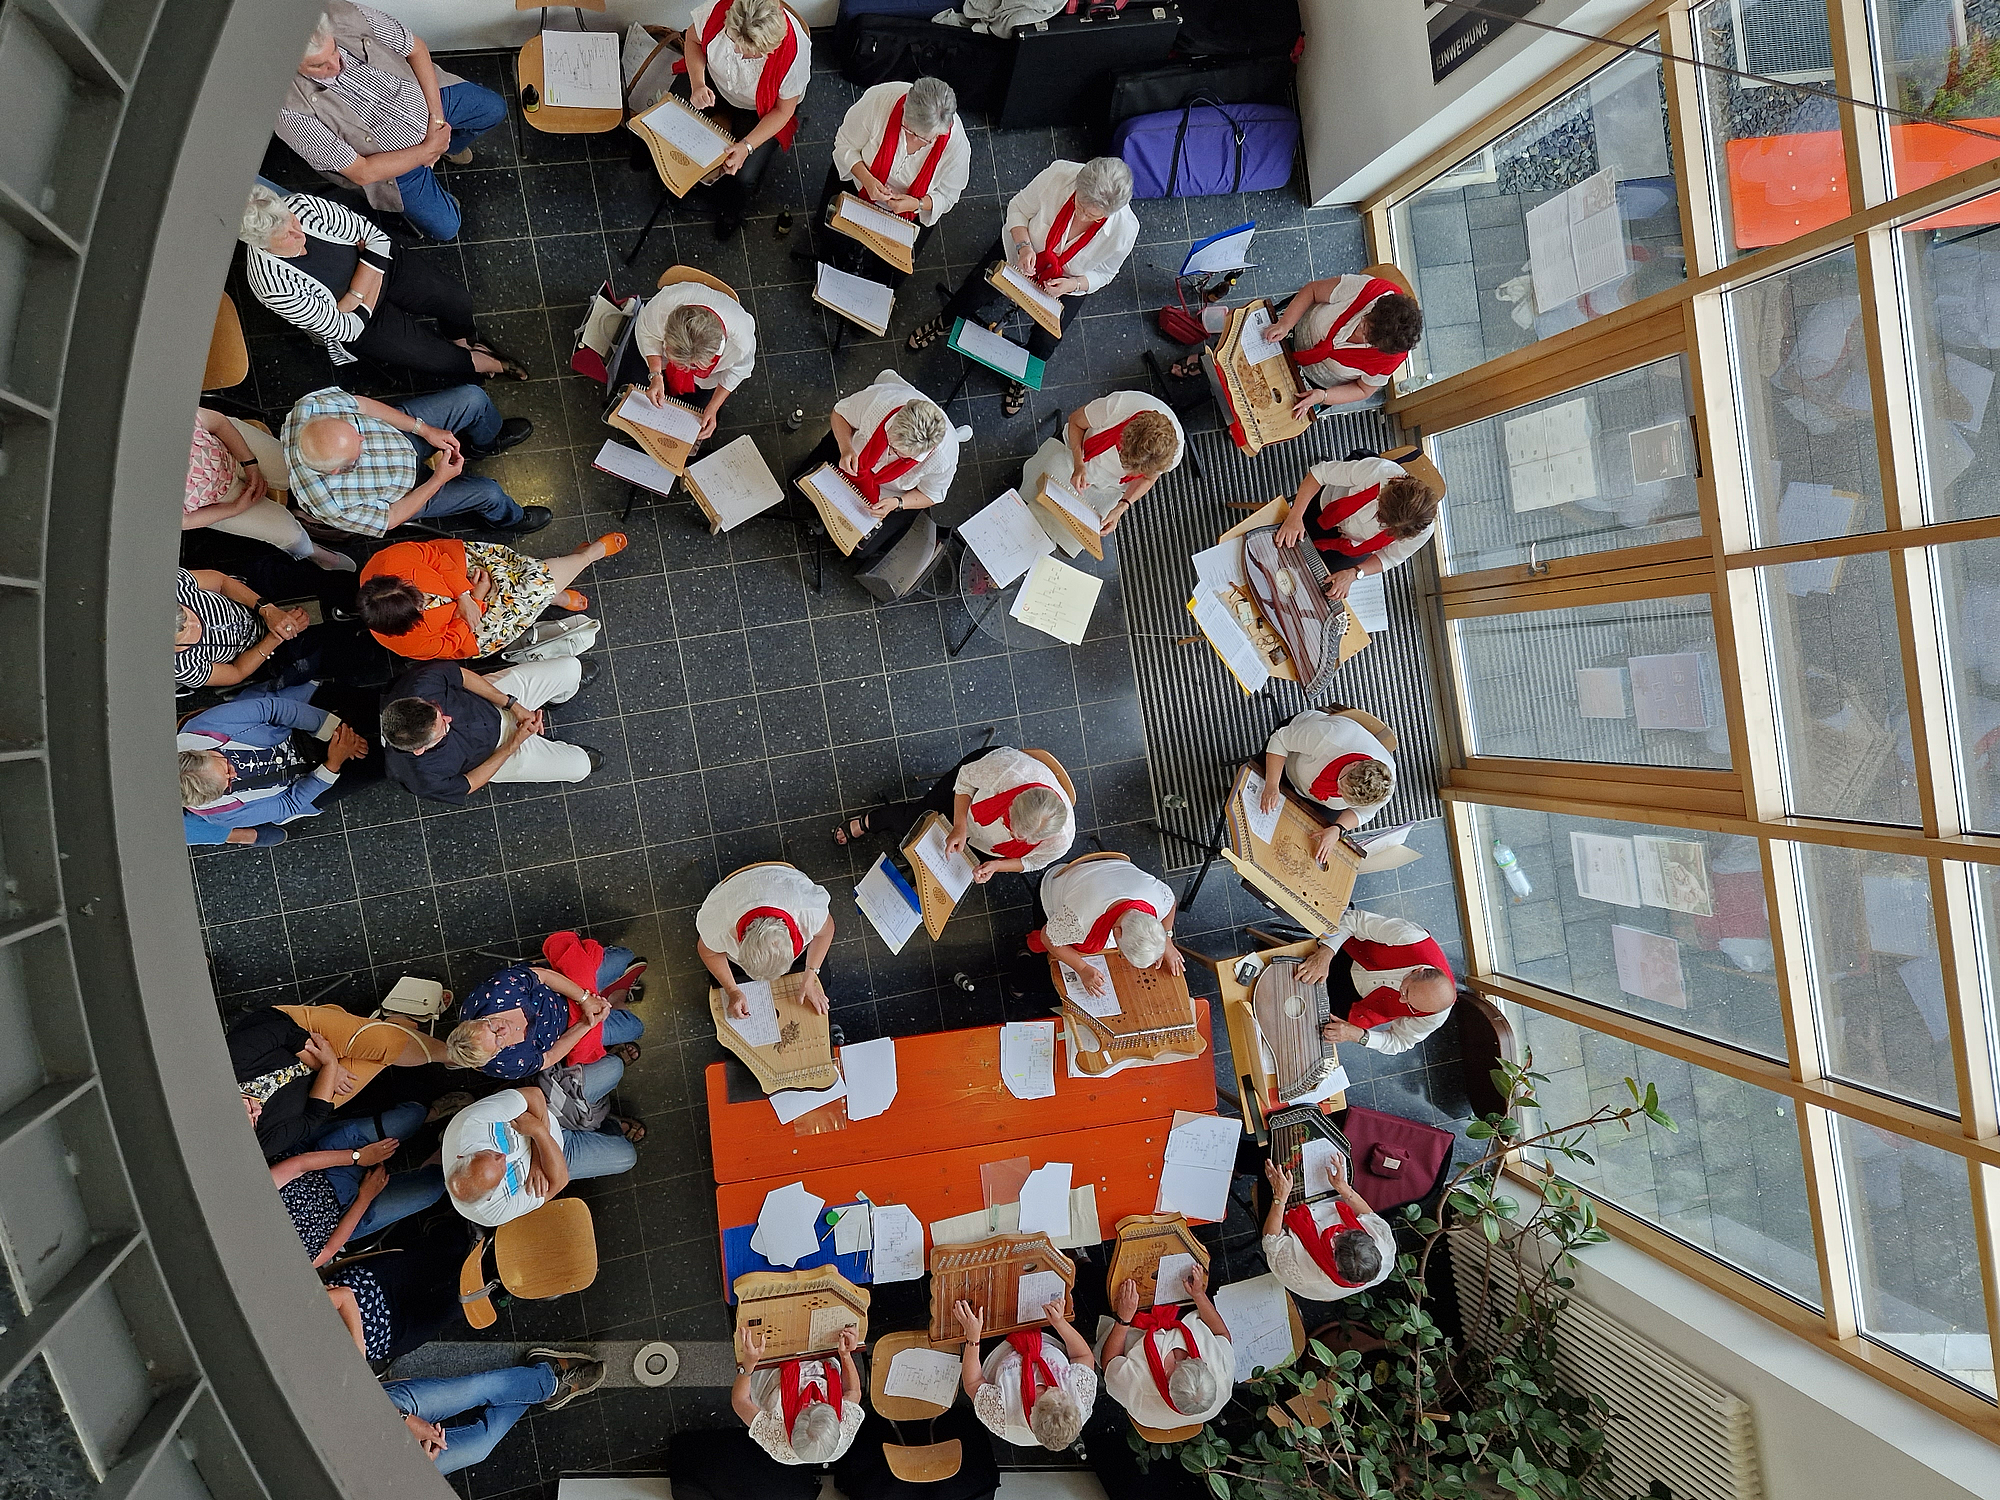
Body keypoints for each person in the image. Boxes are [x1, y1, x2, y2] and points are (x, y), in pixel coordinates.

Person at [908, 158, 1140, 417]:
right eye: (1080, 205)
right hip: (1021, 252)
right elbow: (1018, 208)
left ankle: (1020, 376)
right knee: (974, 291)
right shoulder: (1060, 174)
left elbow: (1106, 272)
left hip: (1065, 282)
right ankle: (944, 322)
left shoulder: (1126, 230)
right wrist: (1023, 246)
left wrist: (1073, 284)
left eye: (1092, 216)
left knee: (1047, 340)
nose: (1082, 216)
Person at [238, 185, 525, 379]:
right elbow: (344, 328)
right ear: (262, 244)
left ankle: (463, 342)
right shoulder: (271, 284)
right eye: (286, 236)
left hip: (375, 281)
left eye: (292, 221)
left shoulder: (300, 204)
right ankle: (484, 362)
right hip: (366, 322)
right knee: (437, 360)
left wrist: (354, 296)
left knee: (455, 299)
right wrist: (369, 269)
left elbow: (374, 236)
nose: (299, 233)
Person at [277, 3, 508, 242]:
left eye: (334, 49)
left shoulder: (341, 13)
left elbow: (416, 49)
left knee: (494, 110)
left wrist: (437, 120)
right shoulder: (287, 109)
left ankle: (450, 148)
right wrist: (427, 150)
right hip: (390, 167)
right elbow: (362, 172)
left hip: (425, 100)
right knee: (448, 227)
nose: (337, 66)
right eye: (319, 65)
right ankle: (436, 167)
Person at [280, 385, 542, 539]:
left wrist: (424, 429)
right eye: (358, 449)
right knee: (489, 493)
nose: (363, 438)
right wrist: (438, 480)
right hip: (407, 491)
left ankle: (483, 443)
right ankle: (509, 520)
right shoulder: (330, 506)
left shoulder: (312, 407)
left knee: (474, 398)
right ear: (337, 471)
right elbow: (391, 518)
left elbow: (364, 407)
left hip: (400, 434)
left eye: (354, 430)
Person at [1175, 272, 1423, 415]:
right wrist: (1285, 325)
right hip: (1295, 327)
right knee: (1241, 345)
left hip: (1314, 382)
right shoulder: (1370, 290)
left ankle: (1233, 411)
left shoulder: (1389, 358)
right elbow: (1313, 291)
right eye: (1366, 323)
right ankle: (1210, 360)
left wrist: (1322, 396)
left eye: (1369, 339)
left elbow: (1362, 390)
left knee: (1266, 410)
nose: (1361, 332)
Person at [230, 1002, 446, 1161]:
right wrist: (330, 1067)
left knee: (387, 1043)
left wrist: (324, 1063)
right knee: (380, 1051)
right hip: (320, 1086)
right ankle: (393, 1024)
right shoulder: (260, 1143)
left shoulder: (229, 1067)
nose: (258, 1111)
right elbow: (313, 1118)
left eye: (247, 1108)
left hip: (298, 1034)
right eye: (255, 1122)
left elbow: (282, 1032)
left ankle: (452, 1054)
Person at [357, 533, 626, 660]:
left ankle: (570, 572)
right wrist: (476, 599)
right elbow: (450, 643)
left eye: (419, 591)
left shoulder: (390, 561)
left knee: (528, 582)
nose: (429, 598)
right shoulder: (409, 643)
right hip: (467, 629)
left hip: (456, 570)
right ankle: (585, 558)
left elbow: (435, 557)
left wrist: (463, 594)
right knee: (532, 587)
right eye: (424, 605)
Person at [674, 0, 812, 239]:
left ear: (770, 48)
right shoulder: (718, 11)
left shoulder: (794, 56)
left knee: (742, 176)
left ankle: (730, 211)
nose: (737, 51)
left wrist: (746, 146)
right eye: (733, 40)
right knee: (673, 117)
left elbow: (783, 111)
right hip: (713, 84)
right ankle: (672, 172)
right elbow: (693, 40)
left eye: (748, 51)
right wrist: (697, 84)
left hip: (760, 109)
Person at [790, 371, 957, 568]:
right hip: (853, 454)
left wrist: (898, 503)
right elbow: (840, 414)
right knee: (797, 485)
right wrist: (845, 448)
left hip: (889, 493)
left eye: (899, 454)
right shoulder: (880, 401)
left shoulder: (943, 459)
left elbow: (932, 494)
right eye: (889, 442)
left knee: (861, 550)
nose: (890, 452)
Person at [378, 658, 603, 804]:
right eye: (443, 726)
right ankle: (560, 748)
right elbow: (470, 783)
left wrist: (514, 705)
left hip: (494, 699)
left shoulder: (418, 685)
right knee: (580, 767)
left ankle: (557, 699)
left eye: (438, 710)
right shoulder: (421, 777)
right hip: (498, 755)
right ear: (420, 750)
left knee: (572, 668)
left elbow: (462, 676)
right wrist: (514, 744)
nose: (448, 718)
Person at [179, 681, 378, 845]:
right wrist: (332, 765)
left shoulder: (204, 727)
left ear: (201, 752)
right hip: (306, 785)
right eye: (229, 784)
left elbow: (275, 709)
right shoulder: (221, 815)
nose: (235, 773)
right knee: (378, 766)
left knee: (374, 707)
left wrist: (336, 731)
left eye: (225, 765)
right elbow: (288, 804)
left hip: (300, 722)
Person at [839, 744, 1073, 881]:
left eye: (1023, 840)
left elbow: (1033, 861)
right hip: (971, 786)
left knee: (952, 869)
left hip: (990, 847)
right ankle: (869, 821)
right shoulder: (1006, 772)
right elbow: (964, 781)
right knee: (916, 818)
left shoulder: (1061, 841)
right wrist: (960, 826)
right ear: (1013, 802)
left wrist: (996, 866)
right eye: (1012, 828)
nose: (1014, 837)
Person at [820, 78, 969, 285]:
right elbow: (845, 144)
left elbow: (948, 196)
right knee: (831, 241)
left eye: (924, 139)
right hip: (859, 183)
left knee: (892, 275)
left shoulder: (957, 148)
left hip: (910, 211)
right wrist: (868, 180)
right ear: (905, 107)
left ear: (942, 131)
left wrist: (917, 204)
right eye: (908, 130)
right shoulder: (880, 99)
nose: (913, 140)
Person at [441, 1081, 641, 1228]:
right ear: (490, 1196)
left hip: (550, 1113)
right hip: (560, 1156)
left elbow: (534, 1096)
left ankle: (596, 1119)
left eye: (490, 1154)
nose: (503, 1157)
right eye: (501, 1170)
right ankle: (603, 1121)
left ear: (461, 1157)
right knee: (626, 1157)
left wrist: (537, 1161)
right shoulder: (491, 1212)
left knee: (613, 1069)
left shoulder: (468, 1125)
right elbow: (559, 1182)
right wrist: (537, 1132)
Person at [269, 1101, 444, 1266]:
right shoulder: (283, 1268)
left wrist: (358, 1156)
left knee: (410, 1117)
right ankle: (441, 1155)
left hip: (322, 1163)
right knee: (433, 1188)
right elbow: (328, 1250)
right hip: (347, 1211)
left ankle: (429, 1115)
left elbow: (299, 1165)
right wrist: (365, 1197)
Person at [183, 406, 353, 571]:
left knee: (303, 471)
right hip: (216, 501)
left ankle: (329, 509)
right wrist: (236, 508)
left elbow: (218, 423)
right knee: (289, 535)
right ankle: (318, 555)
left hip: (228, 446)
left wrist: (250, 463)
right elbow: (184, 521)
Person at [381, 1353, 607, 1474]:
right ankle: (545, 1383)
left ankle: (548, 1384)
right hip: (399, 1467)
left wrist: (403, 1419)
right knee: (479, 1447)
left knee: (470, 1390)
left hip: (379, 1412)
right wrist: (419, 1469)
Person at [443, 962, 645, 1083]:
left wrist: (585, 999)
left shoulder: (496, 993)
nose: (503, 1030)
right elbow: (548, 1058)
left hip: (566, 988)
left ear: (477, 1019)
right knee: (635, 1028)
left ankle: (610, 998)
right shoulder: (505, 1065)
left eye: (491, 1025)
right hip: (572, 1029)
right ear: (494, 1055)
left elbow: (544, 976)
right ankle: (615, 998)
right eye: (498, 1042)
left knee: (623, 957)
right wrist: (586, 1024)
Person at [1294, 908, 1459, 1056]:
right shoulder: (1412, 939)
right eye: (1406, 992)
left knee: (1298, 1027)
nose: (1401, 1000)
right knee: (1289, 969)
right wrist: (1325, 954)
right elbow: (1353, 920)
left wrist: (1358, 1036)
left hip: (1354, 1006)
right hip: (1344, 955)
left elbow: (1400, 1041)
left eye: (1411, 1006)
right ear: (1418, 971)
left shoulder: (1434, 1016)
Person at [173, 566, 367, 692]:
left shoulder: (175, 585)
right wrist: (276, 636)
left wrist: (267, 610)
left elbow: (221, 582)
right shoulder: (182, 666)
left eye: (188, 615)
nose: (196, 624)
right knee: (348, 655)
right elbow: (236, 672)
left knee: (327, 583)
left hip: (251, 598)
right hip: (261, 651)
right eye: (187, 631)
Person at [1271, 452, 1438, 596]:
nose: (1379, 523)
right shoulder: (1378, 471)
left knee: (1310, 584)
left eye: (1387, 527)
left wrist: (1354, 573)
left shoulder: (1421, 530)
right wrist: (1295, 516)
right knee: (1274, 538)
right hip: (1325, 508)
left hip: (1352, 547)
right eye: (1380, 515)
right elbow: (1319, 473)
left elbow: (1389, 558)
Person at [1027, 852, 1183, 998]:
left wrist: (1167, 940)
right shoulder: (1079, 921)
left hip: (1107, 868)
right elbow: (1047, 936)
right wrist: (1082, 968)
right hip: (1061, 881)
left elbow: (1171, 903)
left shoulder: (1156, 898)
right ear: (1117, 932)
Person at [695, 862, 836, 1017]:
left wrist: (810, 976)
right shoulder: (720, 926)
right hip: (734, 889)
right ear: (738, 940)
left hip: (782, 880)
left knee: (824, 980)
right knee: (719, 985)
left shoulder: (808, 912)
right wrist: (732, 990)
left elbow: (827, 931)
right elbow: (707, 952)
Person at [324, 1216, 474, 1362]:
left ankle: (457, 1230)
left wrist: (358, 1355)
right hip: (387, 1335)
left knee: (449, 1252)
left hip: (370, 1286)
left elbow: (344, 1295)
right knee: (459, 1303)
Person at [956, 1297, 1095, 1451]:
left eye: (1043, 1393)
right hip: (1045, 1335)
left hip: (997, 1345)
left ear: (1031, 1413)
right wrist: (1060, 1322)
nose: (1050, 1387)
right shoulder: (1081, 1401)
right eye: (1060, 1391)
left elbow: (973, 1383)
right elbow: (1082, 1356)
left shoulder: (1004, 1419)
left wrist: (973, 1338)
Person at [1102, 1270, 1234, 1428]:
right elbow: (1222, 1334)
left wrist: (1123, 1319)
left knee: (1108, 1285)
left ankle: (1084, 1263)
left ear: (1168, 1382)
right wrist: (1199, 1295)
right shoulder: (1221, 1376)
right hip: (1184, 1311)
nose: (1186, 1357)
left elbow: (1109, 1362)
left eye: (1179, 1363)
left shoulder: (1140, 1392)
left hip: (1132, 1328)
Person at [629, 278, 759, 440]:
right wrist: (655, 374)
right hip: (662, 361)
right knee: (632, 390)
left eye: (693, 365)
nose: (685, 369)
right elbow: (648, 334)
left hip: (707, 379)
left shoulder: (741, 340)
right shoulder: (661, 307)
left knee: (699, 420)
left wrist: (713, 407)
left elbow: (739, 370)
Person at [1260, 708, 1397, 860]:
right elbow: (1279, 740)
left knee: (1301, 844)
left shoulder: (1383, 790)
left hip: (1316, 799)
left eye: (1345, 798)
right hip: (1287, 761)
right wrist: (1272, 785)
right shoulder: (1330, 738)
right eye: (1341, 786)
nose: (1336, 793)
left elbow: (1362, 813)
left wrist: (1338, 829)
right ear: (1354, 764)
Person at [1260, 1155, 1396, 1302]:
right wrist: (1343, 1188)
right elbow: (1367, 1214)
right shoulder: (1384, 1247)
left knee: (1269, 1164)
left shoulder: (1302, 1275)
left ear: (1336, 1262)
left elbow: (1271, 1240)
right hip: (1332, 1196)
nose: (1337, 1232)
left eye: (1339, 1237)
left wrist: (1280, 1197)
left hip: (1287, 1209)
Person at [733, 1323, 865, 1464]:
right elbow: (852, 1391)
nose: (816, 1400)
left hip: (773, 1364)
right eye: (822, 1404)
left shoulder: (776, 1440)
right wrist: (845, 1355)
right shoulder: (843, 1431)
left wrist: (749, 1364)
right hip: (820, 1355)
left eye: (809, 1405)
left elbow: (740, 1401)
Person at [1058, 391, 1183, 534]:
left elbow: (1149, 478)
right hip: (1076, 455)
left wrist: (1122, 506)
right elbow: (1075, 421)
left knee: (1076, 533)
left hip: (1111, 487)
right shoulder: (1119, 406)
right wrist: (1078, 463)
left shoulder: (1172, 456)